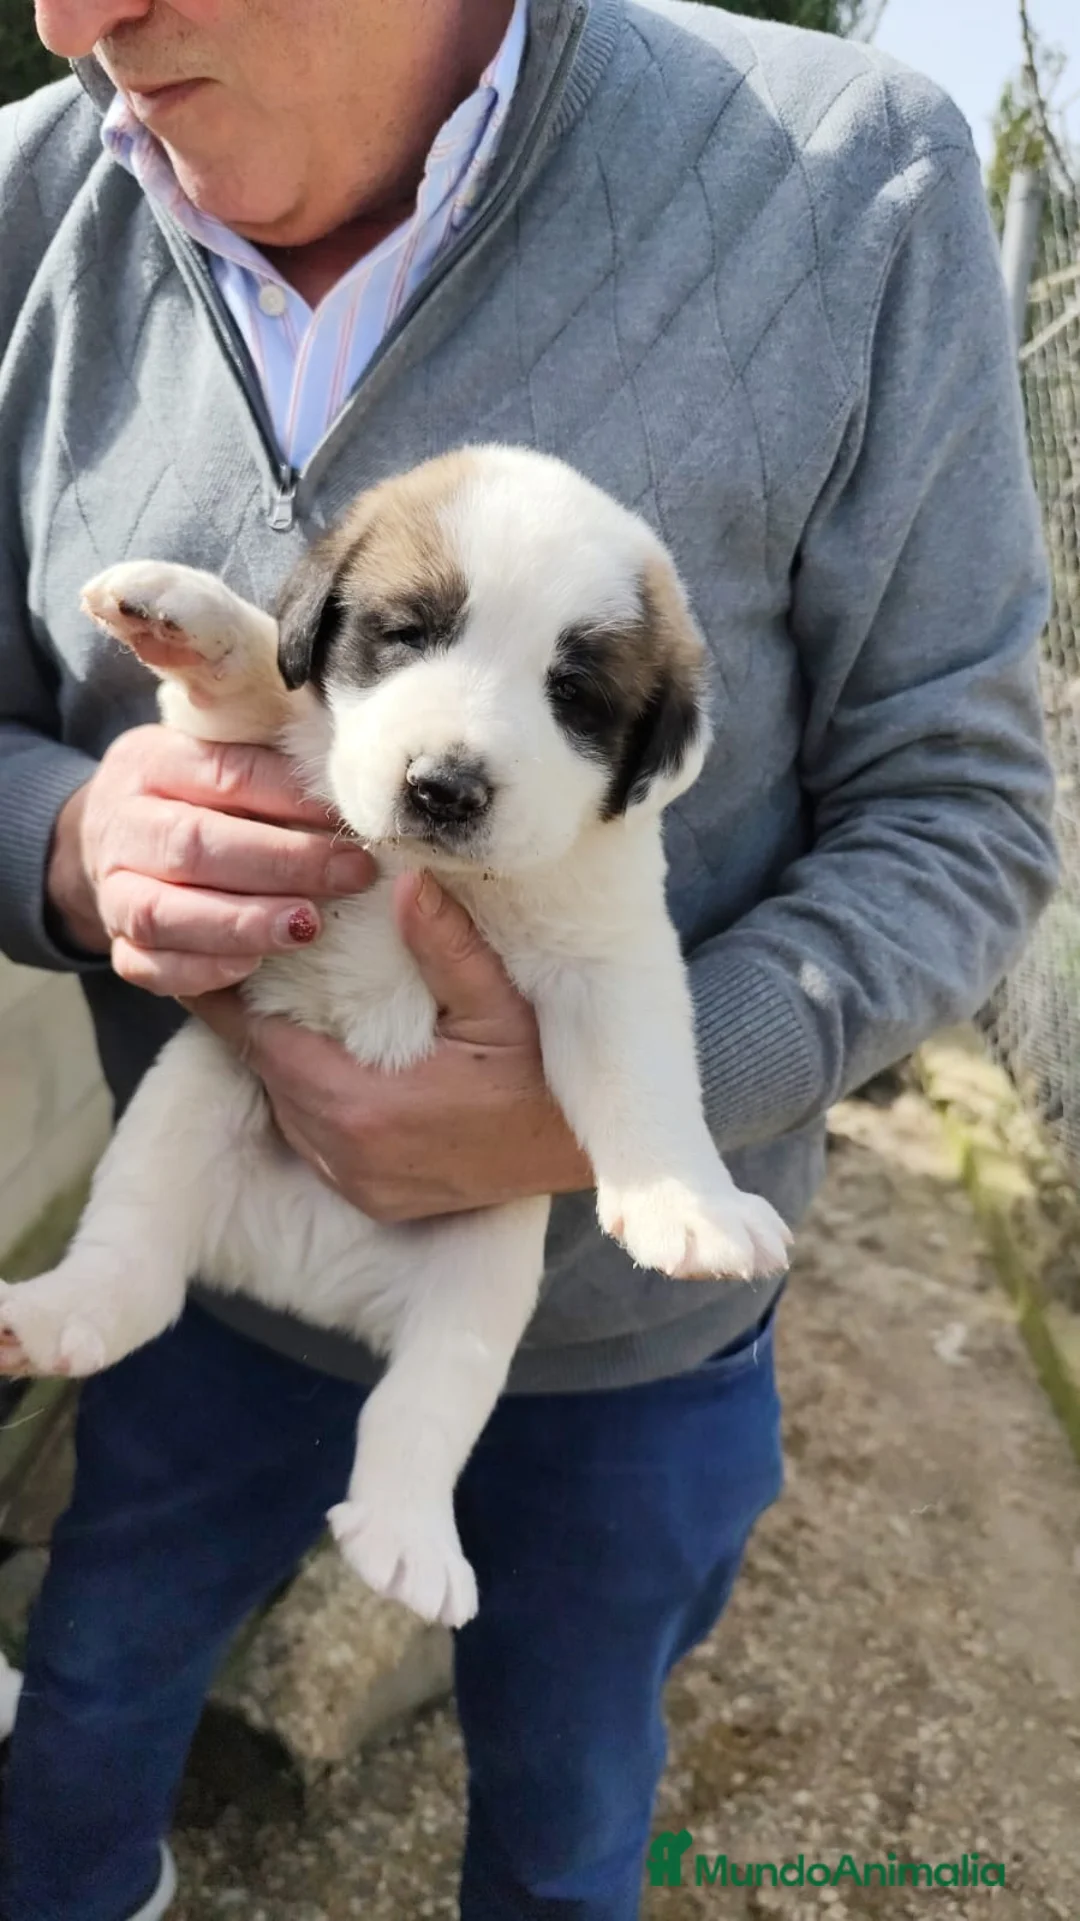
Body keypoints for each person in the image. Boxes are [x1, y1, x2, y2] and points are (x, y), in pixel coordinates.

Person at [0, 1, 1057, 1916]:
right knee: (89, 1691)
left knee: (573, 1810)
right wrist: (58, 843)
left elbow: (967, 814)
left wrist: (616, 1129)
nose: (80, 17)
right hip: (209, 1276)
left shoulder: (855, 184)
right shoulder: (21, 209)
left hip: (616, 1356)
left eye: (570, 700)